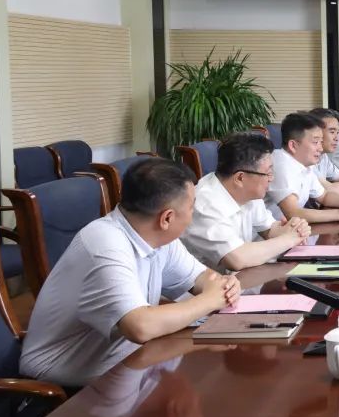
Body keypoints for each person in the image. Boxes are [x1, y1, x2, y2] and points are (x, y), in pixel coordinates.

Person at [19, 158, 241, 388]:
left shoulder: (158, 237)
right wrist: (210, 300)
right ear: (167, 218)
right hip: (60, 381)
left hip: (123, 360)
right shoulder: (105, 244)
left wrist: (225, 286)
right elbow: (140, 327)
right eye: (192, 207)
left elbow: (203, 279)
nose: (193, 214)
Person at [183, 132, 312, 272]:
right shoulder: (205, 204)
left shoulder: (248, 191)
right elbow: (237, 258)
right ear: (240, 178)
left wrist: (295, 228)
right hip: (208, 283)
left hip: (240, 278)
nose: (272, 178)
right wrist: (289, 239)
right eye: (267, 173)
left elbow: (269, 229)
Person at [266, 111, 339, 223]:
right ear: (293, 145)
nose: (320, 148)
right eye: (315, 142)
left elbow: (324, 196)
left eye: (321, 142)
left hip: (288, 229)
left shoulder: (304, 165)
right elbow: (293, 213)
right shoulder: (280, 164)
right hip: (267, 232)